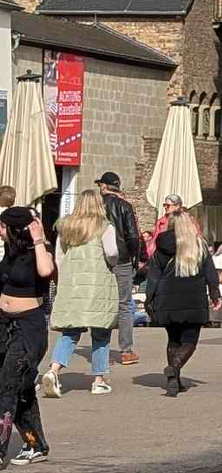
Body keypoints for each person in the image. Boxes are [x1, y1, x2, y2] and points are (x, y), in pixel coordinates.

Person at [43, 189, 119, 399]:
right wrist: (111, 265)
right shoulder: (104, 226)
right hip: (98, 283)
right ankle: (99, 380)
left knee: (70, 331)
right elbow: (112, 253)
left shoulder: (65, 227)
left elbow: (59, 258)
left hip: (73, 283)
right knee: (101, 332)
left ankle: (54, 369)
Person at [0, 207, 54, 462]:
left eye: (2, 227)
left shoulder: (39, 252)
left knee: (8, 385)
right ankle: (35, 443)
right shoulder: (10, 253)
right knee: (20, 388)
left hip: (28, 329)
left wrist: (39, 239)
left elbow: (46, 272)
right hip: (3, 324)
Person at [145, 212, 220, 397]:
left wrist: (149, 299)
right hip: (193, 298)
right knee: (190, 340)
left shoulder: (161, 246)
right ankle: (175, 366)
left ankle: (174, 381)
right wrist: (215, 294)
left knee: (173, 339)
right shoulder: (199, 244)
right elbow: (210, 273)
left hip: (167, 298)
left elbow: (153, 275)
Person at [94, 172, 142, 367]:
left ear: (104, 186)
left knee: (102, 303)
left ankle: (100, 350)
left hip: (100, 260)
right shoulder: (125, 206)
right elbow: (132, 235)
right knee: (124, 305)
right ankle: (126, 350)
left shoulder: (95, 207)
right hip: (121, 259)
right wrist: (134, 258)